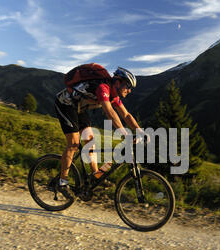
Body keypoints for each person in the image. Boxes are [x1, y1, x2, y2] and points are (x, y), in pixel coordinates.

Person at [54, 66, 149, 199]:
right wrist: (125, 134)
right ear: (117, 82)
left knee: (90, 141)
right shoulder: (103, 88)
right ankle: (62, 182)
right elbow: (109, 112)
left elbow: (126, 115)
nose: (129, 90)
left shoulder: (114, 95)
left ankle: (95, 176)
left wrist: (139, 130)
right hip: (65, 104)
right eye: (127, 86)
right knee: (74, 144)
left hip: (79, 109)